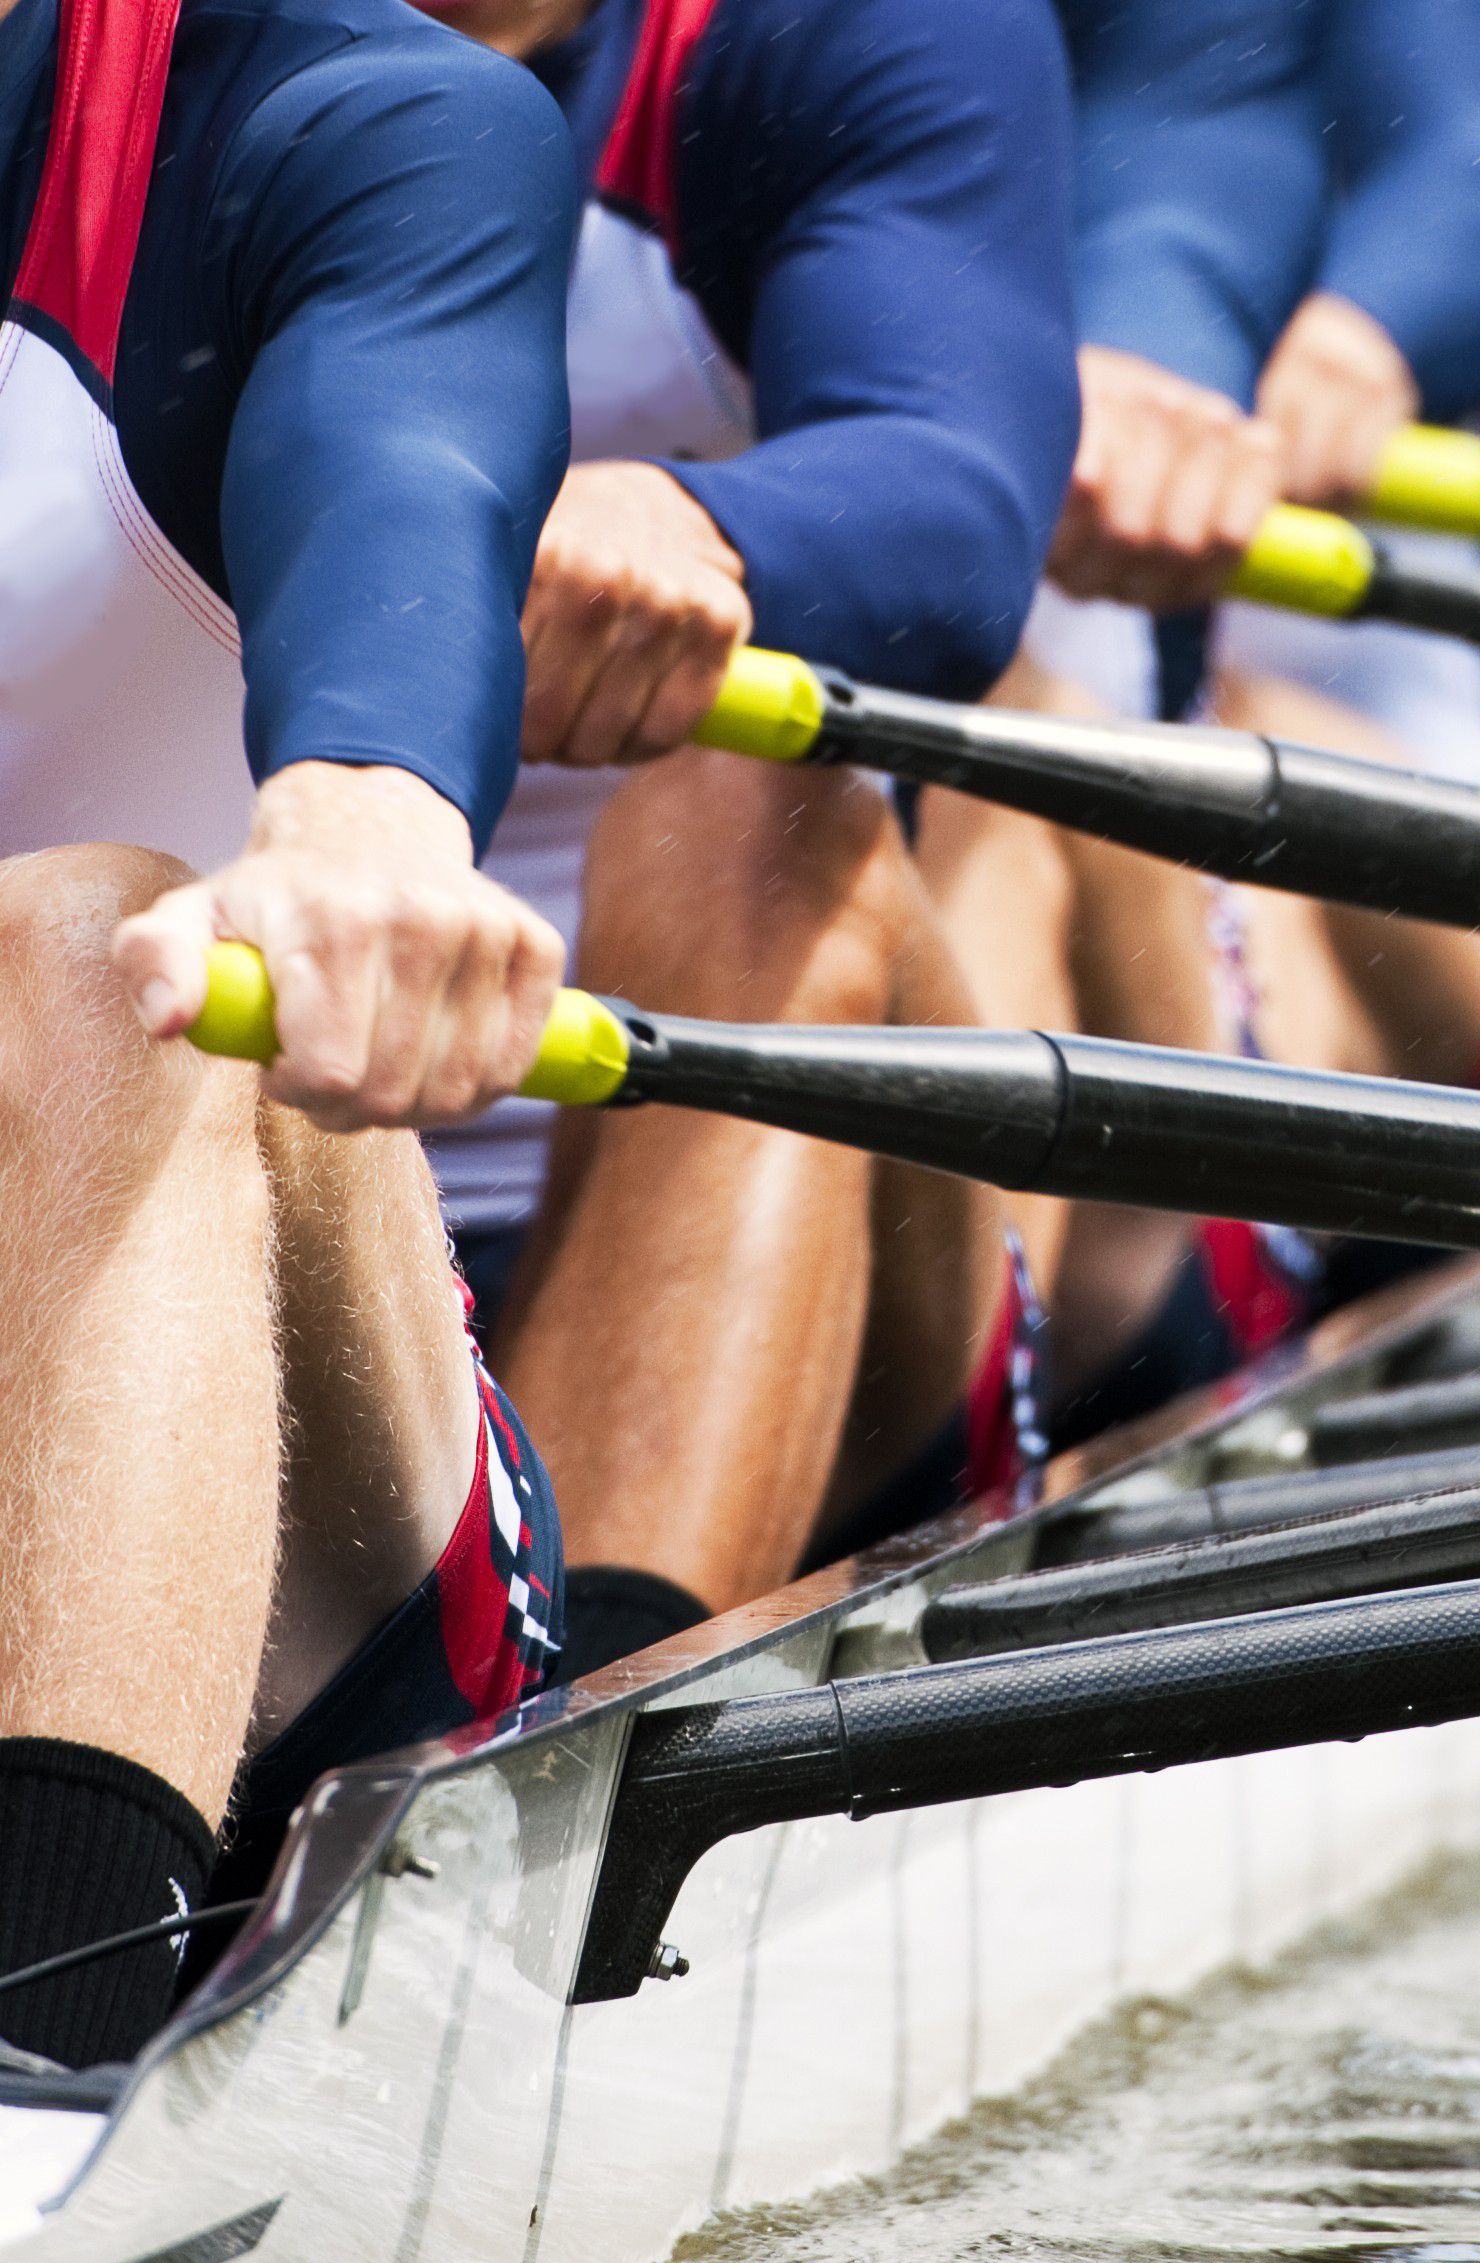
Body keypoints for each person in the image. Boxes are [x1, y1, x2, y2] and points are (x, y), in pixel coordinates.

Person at [0, 0, 580, 2072]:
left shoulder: (351, 121)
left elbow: (399, 467)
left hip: (313, 1532)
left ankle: (45, 2021)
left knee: (104, 940)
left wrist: (362, 807)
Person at [410, 0, 1080, 1677]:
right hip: (248, 1150)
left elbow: (961, 503)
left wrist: (693, 518)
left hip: (696, 1163)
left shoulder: (819, 37)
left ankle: (580, 1749)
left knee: (754, 799)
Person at [928, 0, 1480, 1447]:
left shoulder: (1209, 72)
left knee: (1182, 755)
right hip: (1050, 794)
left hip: (1392, 849)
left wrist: (1358, 348)